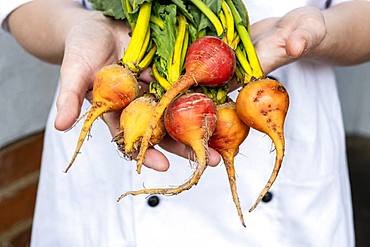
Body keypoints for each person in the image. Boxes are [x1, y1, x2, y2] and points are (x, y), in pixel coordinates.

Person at [2, 0, 370, 246]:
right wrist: (75, 28)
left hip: (288, 174)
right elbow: (21, 6)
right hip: (108, 173)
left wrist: (321, 29)